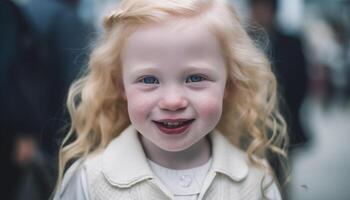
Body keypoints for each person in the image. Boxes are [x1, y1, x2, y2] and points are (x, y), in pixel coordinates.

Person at [53, 0, 288, 199]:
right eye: (149, 80)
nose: (172, 101)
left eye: (195, 77)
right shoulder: (90, 181)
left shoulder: (257, 182)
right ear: (120, 85)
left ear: (230, 83)